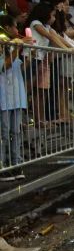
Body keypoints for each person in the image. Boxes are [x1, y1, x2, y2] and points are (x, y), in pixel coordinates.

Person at [0, 15, 33, 181]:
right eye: (14, 27)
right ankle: (3, 165)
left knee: (16, 132)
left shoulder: (13, 48)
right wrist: (16, 49)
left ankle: (16, 163)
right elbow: (4, 66)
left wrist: (28, 51)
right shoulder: (3, 46)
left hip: (17, 98)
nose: (16, 31)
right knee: (4, 133)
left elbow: (22, 66)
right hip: (4, 99)